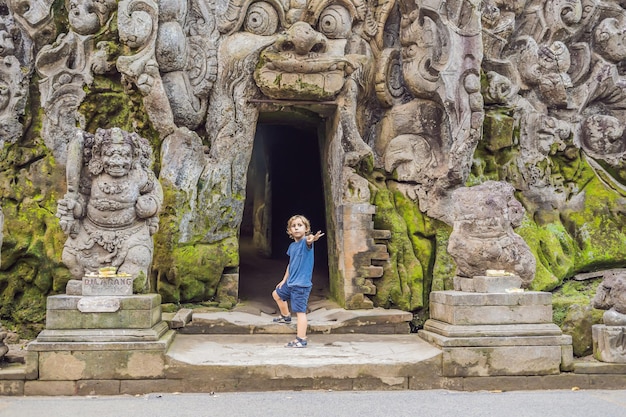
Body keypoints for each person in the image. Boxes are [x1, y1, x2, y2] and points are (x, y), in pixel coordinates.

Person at [272, 215, 324, 348]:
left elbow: (309, 241)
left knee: (300, 312)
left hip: (301, 285)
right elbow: (291, 264)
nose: (296, 228)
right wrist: (284, 280)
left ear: (306, 229)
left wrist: (312, 239)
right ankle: (285, 316)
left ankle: (301, 339)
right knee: (276, 294)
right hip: (291, 282)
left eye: (300, 225)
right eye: (293, 226)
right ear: (289, 231)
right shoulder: (292, 246)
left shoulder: (305, 242)